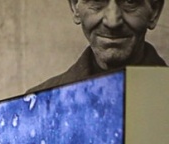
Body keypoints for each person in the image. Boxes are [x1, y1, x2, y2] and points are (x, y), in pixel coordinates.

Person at [28, 0, 165, 93]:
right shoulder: (39, 105)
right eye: (97, 1)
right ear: (75, 6)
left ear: (154, 11)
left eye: (130, 1)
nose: (112, 22)